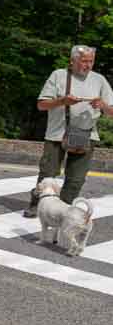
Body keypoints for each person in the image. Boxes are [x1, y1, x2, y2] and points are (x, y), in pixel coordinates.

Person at [25, 45, 113, 215]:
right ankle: (37, 205)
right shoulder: (58, 75)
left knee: (76, 179)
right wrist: (62, 101)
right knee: (48, 174)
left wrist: (102, 105)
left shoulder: (99, 80)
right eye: (84, 61)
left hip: (86, 135)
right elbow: (41, 105)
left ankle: (62, 209)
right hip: (57, 134)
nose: (87, 65)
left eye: (91, 61)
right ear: (72, 61)